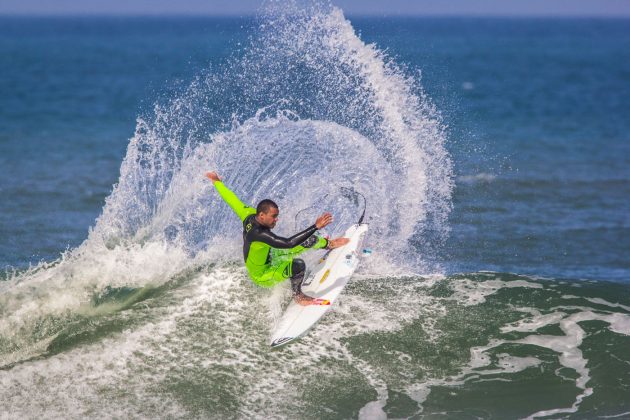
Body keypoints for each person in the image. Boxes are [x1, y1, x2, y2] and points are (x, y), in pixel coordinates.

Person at [206, 171, 349, 306]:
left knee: (311, 239)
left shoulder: (248, 213)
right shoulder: (259, 234)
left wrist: (217, 182)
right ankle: (298, 296)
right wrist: (315, 226)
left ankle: (329, 244)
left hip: (270, 255)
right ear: (262, 215)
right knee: (298, 265)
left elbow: (232, 199)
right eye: (273, 217)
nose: (276, 220)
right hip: (262, 274)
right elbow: (288, 244)